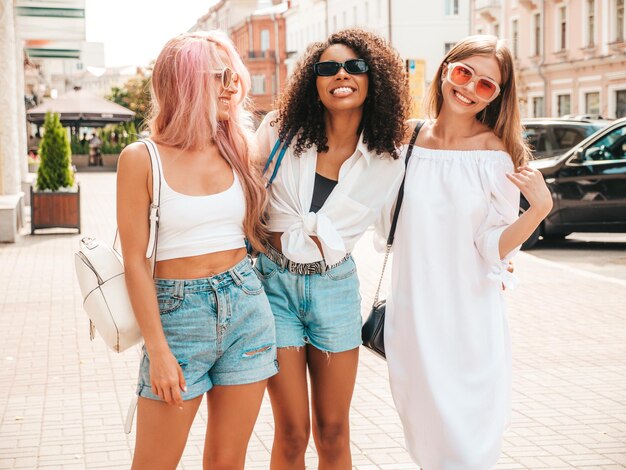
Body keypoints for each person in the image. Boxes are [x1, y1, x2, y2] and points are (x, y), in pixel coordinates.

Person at [385, 35, 553, 470]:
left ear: (497, 96)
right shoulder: (405, 140)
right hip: (414, 316)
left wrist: (540, 209)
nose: (469, 88)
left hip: (469, 318)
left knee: (466, 446)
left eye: (486, 85)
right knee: (426, 438)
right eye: (464, 73)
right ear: (446, 70)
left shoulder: (495, 156)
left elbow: (492, 247)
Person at [116, 31, 277, 469]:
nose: (233, 87)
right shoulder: (140, 158)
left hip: (246, 307)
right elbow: (134, 260)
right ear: (186, 82)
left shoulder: (239, 149)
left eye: (234, 76)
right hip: (176, 316)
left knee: (228, 462)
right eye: (221, 76)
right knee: (154, 464)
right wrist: (158, 350)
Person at [254, 28, 410, 469]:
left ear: (372, 77)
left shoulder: (391, 157)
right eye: (328, 68)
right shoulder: (280, 132)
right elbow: (240, 194)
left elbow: (416, 220)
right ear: (314, 80)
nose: (341, 75)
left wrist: (491, 257)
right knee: (291, 433)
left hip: (335, 290)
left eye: (354, 66)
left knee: (334, 431)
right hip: (273, 289)